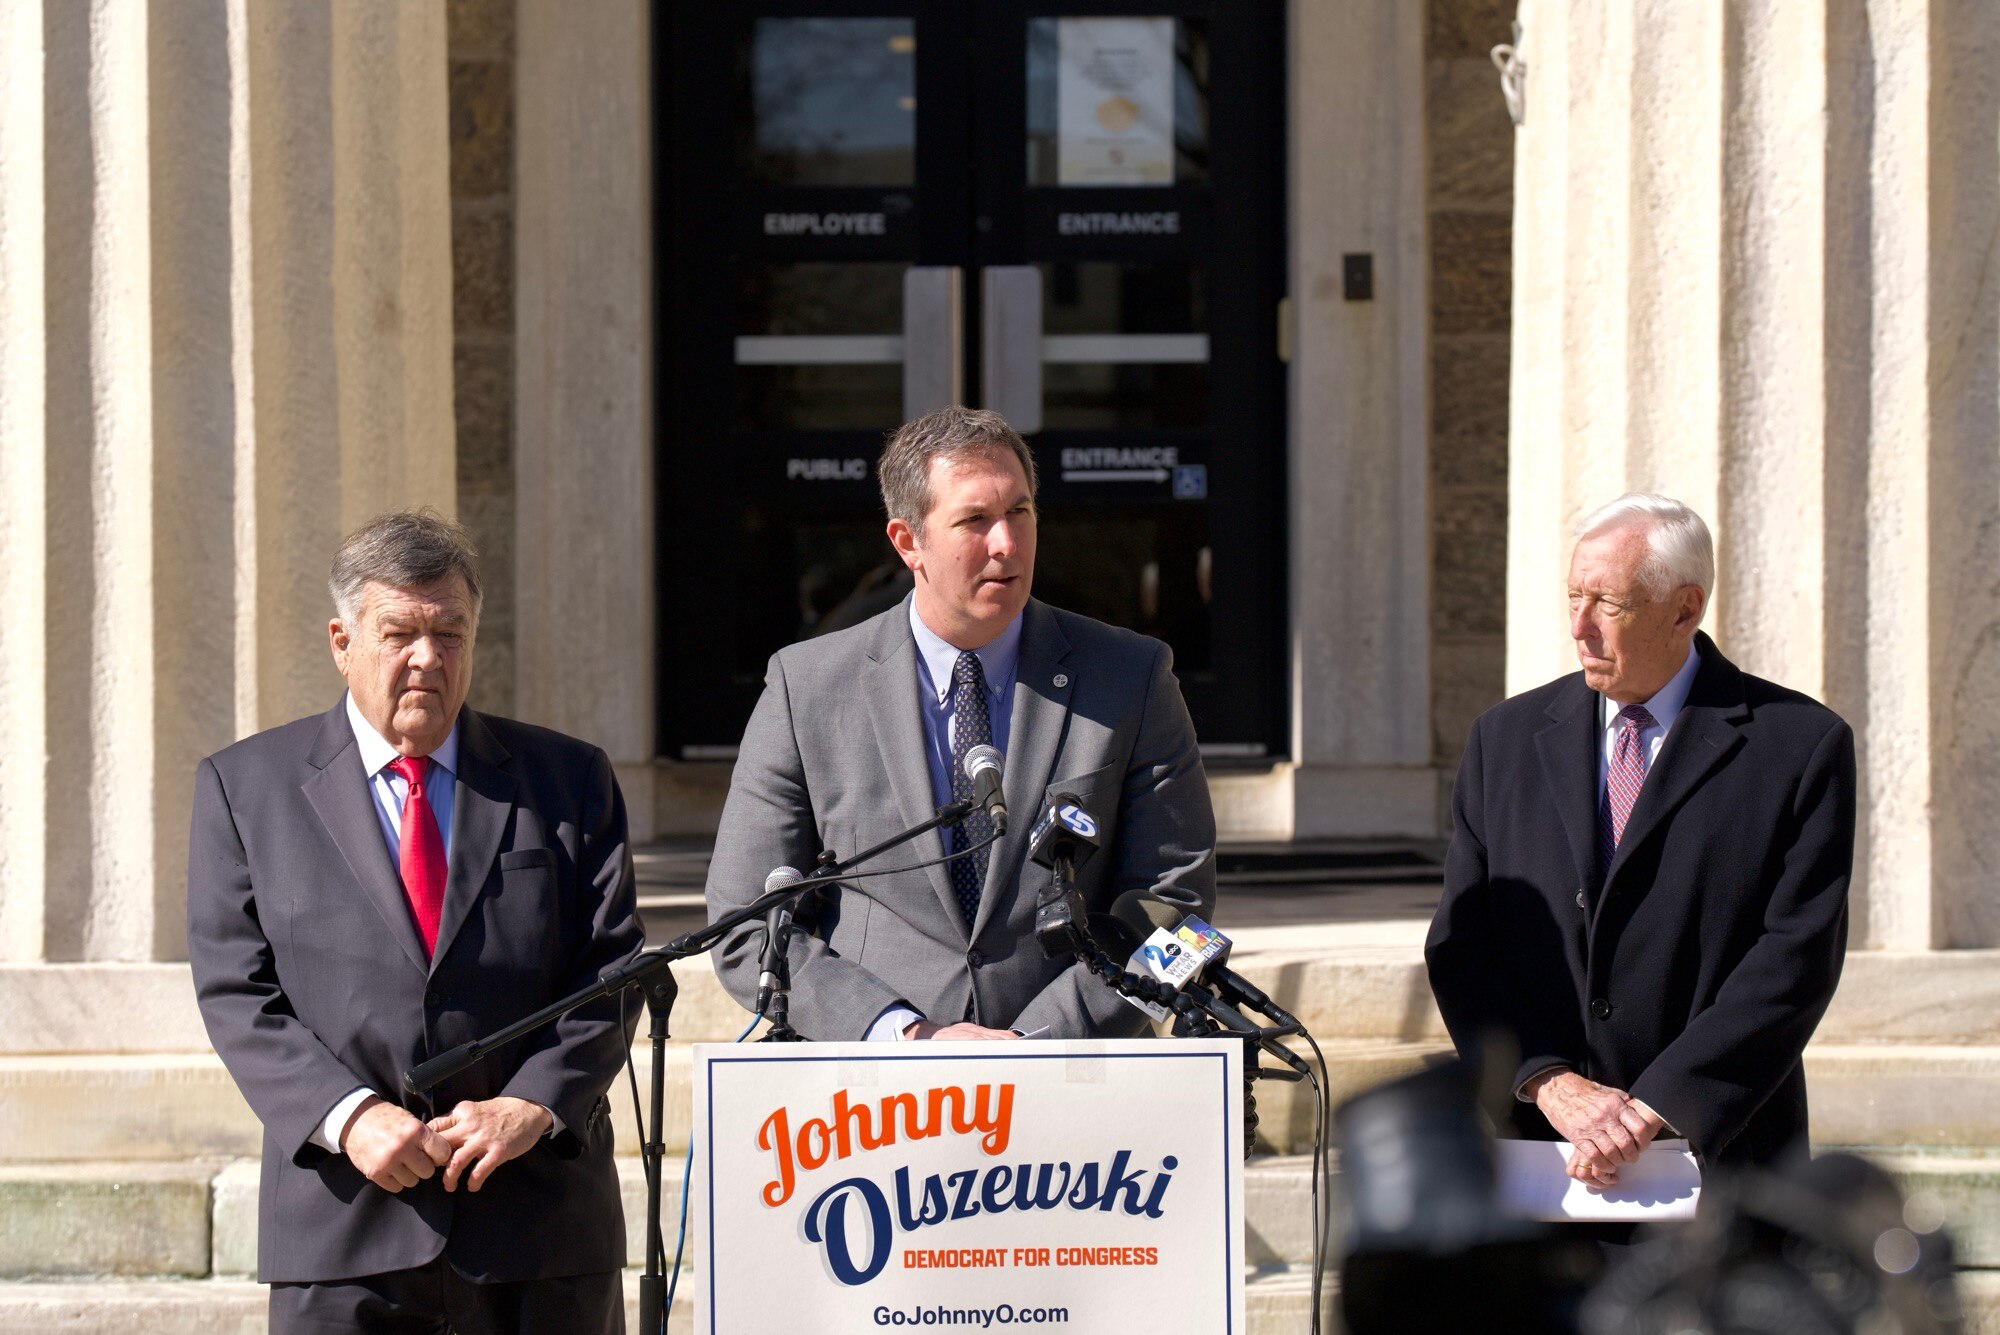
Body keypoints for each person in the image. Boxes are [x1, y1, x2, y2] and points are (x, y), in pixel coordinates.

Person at [187, 510, 642, 1334]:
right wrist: (348, 1116)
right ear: (342, 640)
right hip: (345, 1225)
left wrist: (533, 1105)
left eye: (451, 634)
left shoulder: (567, 778)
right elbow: (236, 992)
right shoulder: (244, 789)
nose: (428, 658)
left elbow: (613, 970)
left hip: (537, 1227)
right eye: (400, 633)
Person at [705, 405, 1216, 1041]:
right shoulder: (807, 687)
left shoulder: (1131, 677)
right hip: (873, 1096)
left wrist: (1039, 1045)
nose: (1006, 543)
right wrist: (900, 1035)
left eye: (1020, 513)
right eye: (975, 520)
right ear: (907, 542)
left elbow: (1177, 907)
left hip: (1075, 1096)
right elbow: (745, 921)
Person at [1426, 494, 1854, 1182]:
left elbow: (1795, 955)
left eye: (1609, 604)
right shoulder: (1501, 741)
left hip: (1719, 1166)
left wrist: (1658, 1102)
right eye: (1573, 597)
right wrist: (1547, 1081)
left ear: (1684, 608)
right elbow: (1463, 943)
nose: (1580, 626)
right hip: (1544, 1162)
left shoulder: (1798, 745)